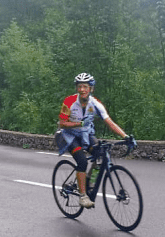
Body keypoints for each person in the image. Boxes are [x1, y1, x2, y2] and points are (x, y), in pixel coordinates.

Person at [56, 72, 134, 208]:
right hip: (69, 135)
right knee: (82, 161)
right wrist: (79, 124)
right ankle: (83, 196)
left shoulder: (95, 103)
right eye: (79, 86)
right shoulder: (69, 101)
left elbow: (110, 122)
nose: (82, 90)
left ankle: (88, 181)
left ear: (91, 89)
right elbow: (62, 123)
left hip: (86, 134)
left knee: (100, 154)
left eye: (85, 87)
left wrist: (125, 136)